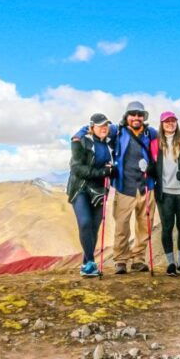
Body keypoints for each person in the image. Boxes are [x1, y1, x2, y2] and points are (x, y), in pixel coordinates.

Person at [73, 101, 158, 274]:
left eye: (139, 114)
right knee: (122, 225)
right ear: (127, 116)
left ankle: (139, 259)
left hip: (147, 186)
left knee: (144, 224)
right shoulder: (117, 130)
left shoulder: (151, 132)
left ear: (144, 117)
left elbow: (173, 136)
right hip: (124, 186)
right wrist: (77, 136)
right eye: (133, 114)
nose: (136, 117)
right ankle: (121, 260)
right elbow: (95, 127)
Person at [149, 111, 180, 277]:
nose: (170, 124)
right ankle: (171, 264)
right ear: (161, 125)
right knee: (167, 227)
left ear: (176, 123)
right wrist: (145, 169)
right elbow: (153, 168)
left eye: (173, 121)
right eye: (166, 121)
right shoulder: (155, 144)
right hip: (164, 193)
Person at [66, 113, 115, 277]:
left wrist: (111, 171)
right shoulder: (84, 142)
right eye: (100, 125)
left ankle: (86, 264)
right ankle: (90, 263)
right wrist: (78, 136)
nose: (104, 128)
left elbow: (111, 169)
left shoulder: (109, 144)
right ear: (91, 127)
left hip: (99, 191)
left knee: (94, 227)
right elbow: (76, 167)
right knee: (85, 223)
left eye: (106, 125)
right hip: (80, 189)